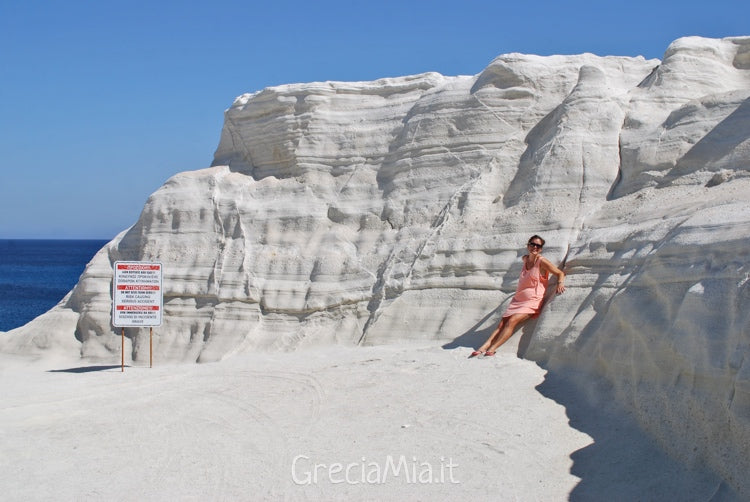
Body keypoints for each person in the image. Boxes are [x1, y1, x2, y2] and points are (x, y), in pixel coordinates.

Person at [470, 235, 565, 357]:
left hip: (532, 300)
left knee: (512, 321)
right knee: (501, 324)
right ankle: (484, 346)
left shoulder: (542, 261)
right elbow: (525, 262)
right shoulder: (525, 259)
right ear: (528, 245)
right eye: (532, 244)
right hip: (518, 299)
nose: (535, 247)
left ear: (541, 249)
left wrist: (560, 283)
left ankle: (492, 348)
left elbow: (559, 273)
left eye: (538, 246)